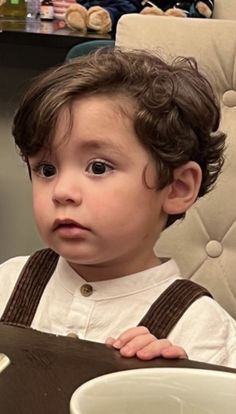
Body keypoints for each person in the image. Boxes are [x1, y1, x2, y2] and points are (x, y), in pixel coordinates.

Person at [0, 48, 235, 368]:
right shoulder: (8, 283)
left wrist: (183, 387)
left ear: (177, 188)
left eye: (98, 168)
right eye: (46, 169)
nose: (62, 192)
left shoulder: (203, 332)